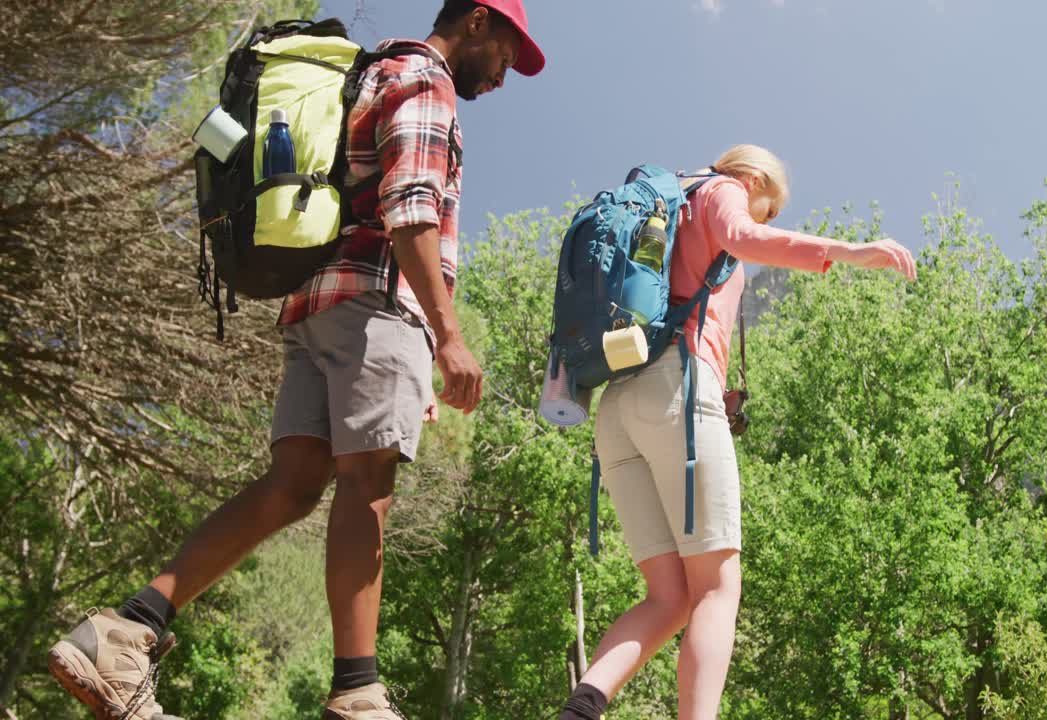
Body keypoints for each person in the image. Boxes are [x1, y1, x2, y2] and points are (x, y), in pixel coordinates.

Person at [46, 2, 544, 718]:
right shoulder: (423, 78)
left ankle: (126, 629)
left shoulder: (370, 73)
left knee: (294, 484)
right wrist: (447, 333)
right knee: (367, 480)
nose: (503, 73)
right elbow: (410, 210)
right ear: (475, 23)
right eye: (505, 51)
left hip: (313, 303)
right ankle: (358, 692)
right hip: (375, 300)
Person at [558, 145, 917, 720]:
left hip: (619, 408)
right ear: (752, 177)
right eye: (767, 208)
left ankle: (581, 711)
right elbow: (742, 237)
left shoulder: (668, 210)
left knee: (668, 598)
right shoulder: (719, 190)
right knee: (717, 589)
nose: (761, 221)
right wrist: (849, 251)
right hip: (675, 392)